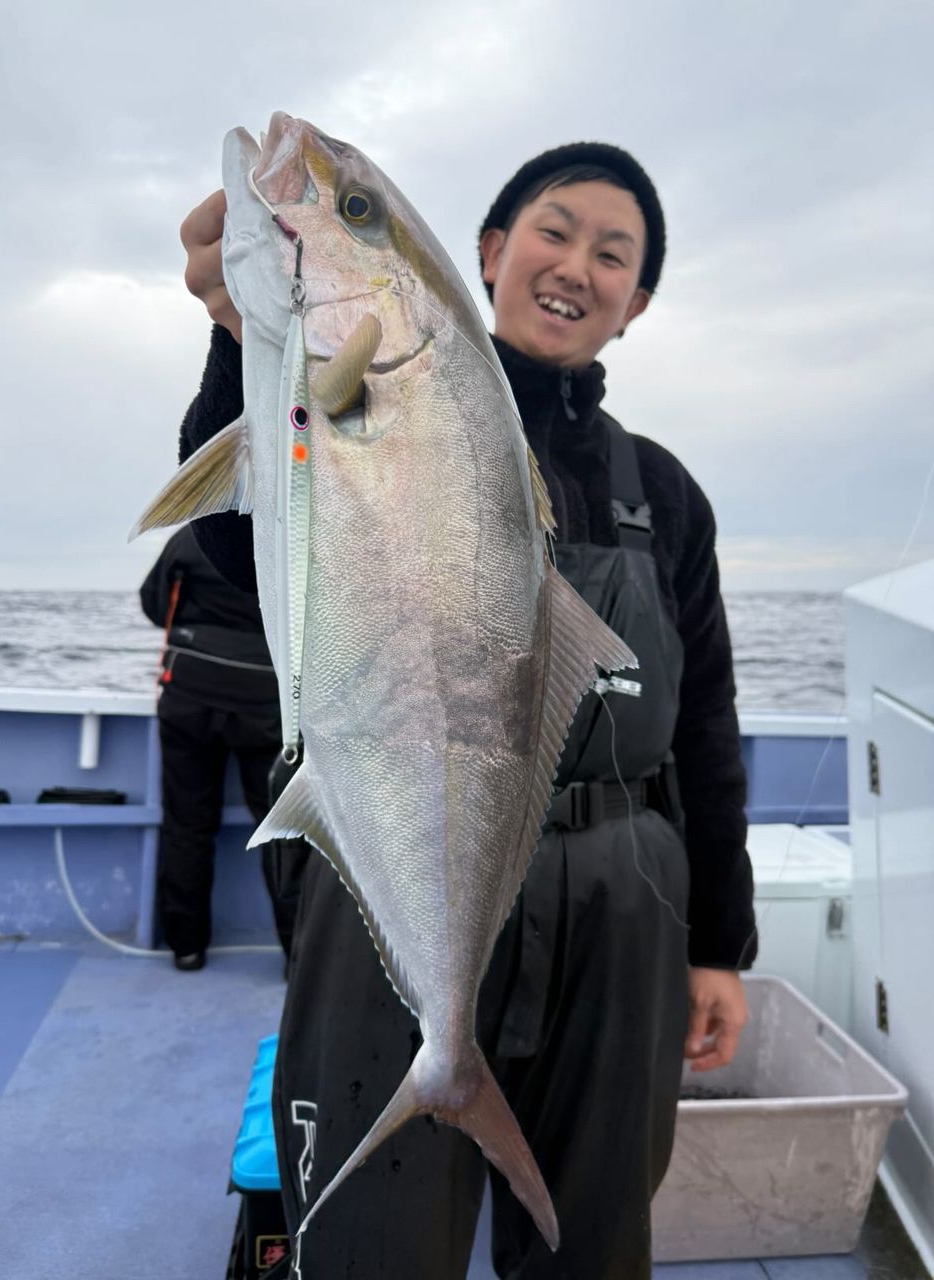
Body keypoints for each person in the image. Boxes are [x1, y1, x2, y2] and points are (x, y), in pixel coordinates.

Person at [175, 141, 756, 1278]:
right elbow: (239, 559)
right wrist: (242, 345)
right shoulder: (356, 389)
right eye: (555, 228)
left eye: (613, 253)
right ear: (488, 252)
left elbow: (709, 724)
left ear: (633, 306)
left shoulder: (667, 493)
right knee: (373, 1249)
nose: (576, 264)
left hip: (623, 894)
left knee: (593, 1240)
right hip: (388, 854)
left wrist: (722, 943)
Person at [140, 525, 298, 970]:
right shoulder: (284, 538)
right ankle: (297, 955)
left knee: (187, 824)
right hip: (263, 700)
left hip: (190, 692)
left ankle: (186, 947)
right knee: (280, 831)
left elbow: (154, 606)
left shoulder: (190, 538)